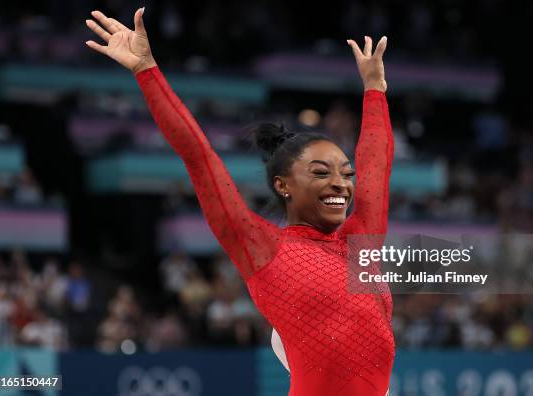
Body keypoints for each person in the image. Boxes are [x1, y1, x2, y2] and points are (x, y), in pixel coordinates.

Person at [86, 8, 394, 395]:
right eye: (320, 173)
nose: (341, 184)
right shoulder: (264, 249)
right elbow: (199, 157)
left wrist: (374, 90)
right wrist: (147, 71)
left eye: (345, 174)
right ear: (284, 186)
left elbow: (376, 166)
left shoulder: (360, 242)